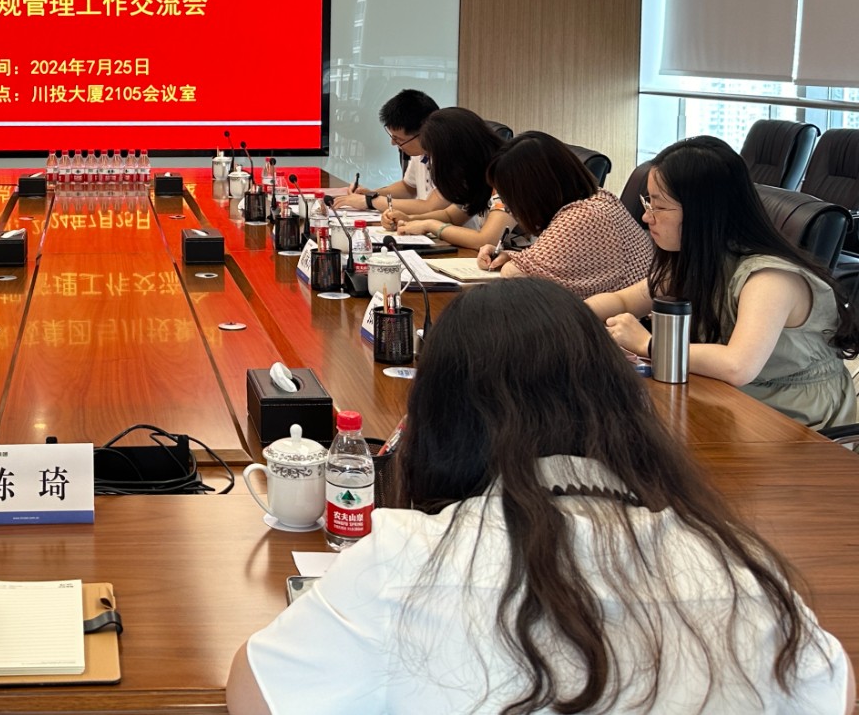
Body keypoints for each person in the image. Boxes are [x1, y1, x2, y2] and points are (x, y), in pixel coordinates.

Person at [227, 278, 854, 715]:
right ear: (619, 402)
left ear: (440, 420)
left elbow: (258, 695)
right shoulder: (739, 565)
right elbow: (833, 692)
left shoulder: (404, 560)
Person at [588, 136, 859, 429]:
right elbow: (623, 300)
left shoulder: (770, 279)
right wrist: (570, 314)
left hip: (795, 423)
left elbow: (737, 365)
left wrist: (648, 344)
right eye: (648, 201)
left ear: (703, 213)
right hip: (732, 403)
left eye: (659, 207)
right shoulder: (701, 261)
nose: (646, 216)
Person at [478, 131, 652, 298]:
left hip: (623, 316)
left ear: (531, 192)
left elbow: (514, 274)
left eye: (509, 198)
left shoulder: (582, 218)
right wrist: (511, 256)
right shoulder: (598, 198)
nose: (508, 207)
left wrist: (515, 263)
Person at [383, 107, 510, 250]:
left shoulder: (508, 174)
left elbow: (485, 240)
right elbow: (451, 216)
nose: (433, 163)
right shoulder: (477, 173)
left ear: (456, 152)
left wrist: (430, 225)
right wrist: (409, 219)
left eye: (434, 155)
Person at [333, 90, 445, 216]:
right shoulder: (420, 152)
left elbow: (431, 207)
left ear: (424, 132)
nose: (393, 143)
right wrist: (371, 194)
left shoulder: (450, 155)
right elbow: (408, 188)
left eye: (399, 139)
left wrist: (371, 201)